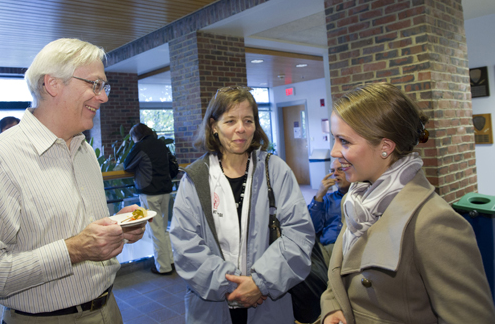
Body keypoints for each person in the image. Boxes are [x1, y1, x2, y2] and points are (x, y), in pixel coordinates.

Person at [0, 38, 146, 324]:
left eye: (104, 87)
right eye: (94, 85)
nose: (103, 97)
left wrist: (116, 226)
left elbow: (78, 229)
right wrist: (73, 250)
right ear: (53, 84)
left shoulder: (84, 151)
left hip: (109, 309)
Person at [321, 82, 495, 324]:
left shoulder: (433, 222)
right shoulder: (357, 203)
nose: (334, 151)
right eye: (334, 139)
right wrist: (332, 307)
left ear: (385, 147)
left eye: (344, 141)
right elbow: (340, 274)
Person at [169, 86, 315, 324]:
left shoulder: (275, 170)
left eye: (248, 120)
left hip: (268, 304)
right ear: (214, 126)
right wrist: (232, 286)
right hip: (212, 308)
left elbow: (299, 234)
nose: (241, 129)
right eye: (231, 121)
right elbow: (185, 245)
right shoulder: (196, 178)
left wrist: (259, 283)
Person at [123, 123, 178, 275]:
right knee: (163, 229)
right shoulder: (160, 144)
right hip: (165, 190)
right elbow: (172, 164)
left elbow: (127, 165)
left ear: (136, 135)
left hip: (149, 192)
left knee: (155, 231)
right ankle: (170, 261)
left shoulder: (140, 146)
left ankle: (163, 267)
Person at [308, 159, 350, 263]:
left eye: (340, 169)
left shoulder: (362, 197)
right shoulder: (326, 199)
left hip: (351, 248)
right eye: (332, 170)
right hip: (328, 248)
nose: (335, 173)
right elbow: (313, 228)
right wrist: (319, 196)